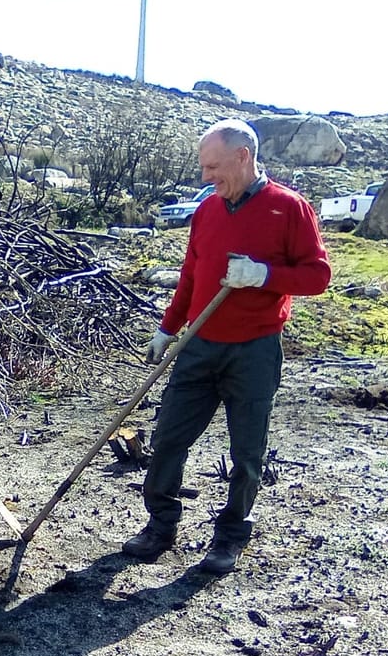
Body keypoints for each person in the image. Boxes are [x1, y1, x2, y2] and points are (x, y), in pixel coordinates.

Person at [122, 118, 331, 574]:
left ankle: (231, 536)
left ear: (243, 156)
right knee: (169, 437)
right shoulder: (207, 212)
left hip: (253, 349)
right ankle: (161, 524)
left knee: (247, 450)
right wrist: (167, 328)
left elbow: (318, 276)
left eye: (213, 166)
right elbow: (192, 277)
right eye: (203, 167)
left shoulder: (289, 208)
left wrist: (264, 276)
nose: (205, 177)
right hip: (198, 343)